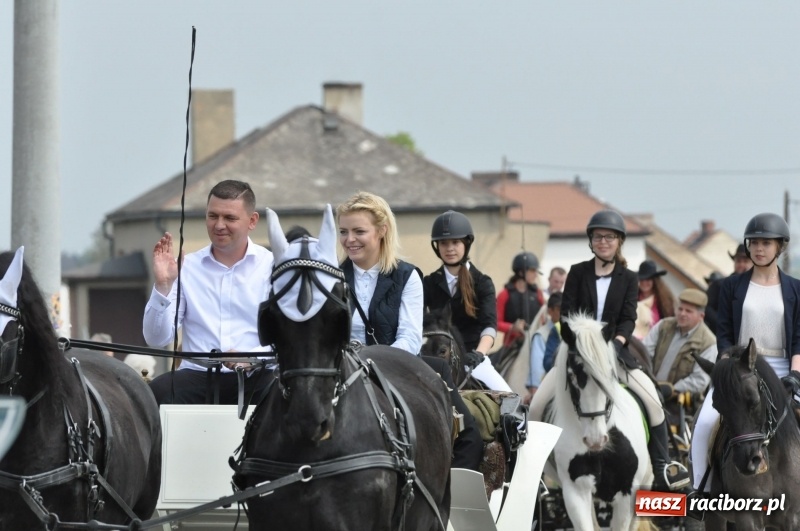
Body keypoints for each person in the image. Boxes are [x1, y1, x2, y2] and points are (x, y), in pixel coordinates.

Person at [529, 209, 690, 491]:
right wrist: (581, 345)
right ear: (591, 241)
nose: (603, 241)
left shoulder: (629, 278)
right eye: (598, 237)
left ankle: (663, 468)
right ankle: (536, 473)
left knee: (654, 403)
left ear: (619, 242)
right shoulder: (578, 272)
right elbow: (566, 313)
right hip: (578, 354)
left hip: (615, 354)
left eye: (609, 237)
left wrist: (615, 344)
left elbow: (628, 318)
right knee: (535, 407)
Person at [336, 192, 484, 471]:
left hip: (396, 366)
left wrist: (370, 361)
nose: (349, 239)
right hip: (342, 370)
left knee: (468, 436)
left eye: (359, 231)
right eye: (343, 231)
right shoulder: (331, 275)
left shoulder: (407, 276)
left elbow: (411, 337)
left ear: (381, 231)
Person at [689, 213, 800, 506]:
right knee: (704, 426)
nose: (759, 249)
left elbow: (799, 338)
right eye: (754, 243)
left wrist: (795, 375)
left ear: (780, 247)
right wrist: (728, 369)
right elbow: (724, 335)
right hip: (740, 370)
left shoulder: (796, 289)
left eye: (766, 243)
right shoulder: (731, 287)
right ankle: (702, 489)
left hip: (783, 370)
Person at [143, 180, 275, 405]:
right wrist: (163, 285)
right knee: (156, 392)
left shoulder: (273, 266)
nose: (219, 225)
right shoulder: (186, 267)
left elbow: (287, 337)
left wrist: (252, 357)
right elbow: (156, 339)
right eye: (212, 216)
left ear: (252, 221)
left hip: (258, 376)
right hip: (197, 377)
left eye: (230, 218)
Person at [423, 210, 512, 392]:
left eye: (455, 242)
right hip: (436, 359)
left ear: (466, 243)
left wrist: (479, 354)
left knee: (512, 405)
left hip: (473, 358)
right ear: (437, 246)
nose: (449, 248)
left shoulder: (482, 282)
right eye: (444, 243)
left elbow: (489, 326)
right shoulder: (429, 283)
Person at [642, 288, 717, 396]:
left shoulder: (709, 343)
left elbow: (699, 380)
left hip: (677, 404)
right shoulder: (664, 325)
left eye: (688, 311)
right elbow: (645, 352)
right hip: (647, 388)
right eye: (680, 309)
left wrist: (671, 389)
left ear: (701, 316)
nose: (682, 314)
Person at [496, 252, 545, 348]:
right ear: (521, 272)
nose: (536, 274)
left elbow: (543, 320)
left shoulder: (538, 293)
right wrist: (512, 327)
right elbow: (495, 323)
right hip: (511, 345)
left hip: (534, 344)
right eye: (532, 271)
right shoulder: (504, 294)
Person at [704, 243, 752, 334]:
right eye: (738, 261)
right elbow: (707, 307)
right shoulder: (719, 285)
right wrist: (722, 324)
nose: (741, 265)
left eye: (745, 261)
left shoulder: (758, 288)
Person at [523, 292, 562, 405]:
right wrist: (535, 393)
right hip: (546, 390)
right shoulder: (541, 335)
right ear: (550, 311)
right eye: (559, 309)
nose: (563, 313)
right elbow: (537, 368)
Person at [634, 260, 675, 339]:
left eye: (648, 279)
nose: (644, 282)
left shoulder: (664, 302)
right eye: (642, 279)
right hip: (635, 341)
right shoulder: (632, 298)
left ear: (654, 281)